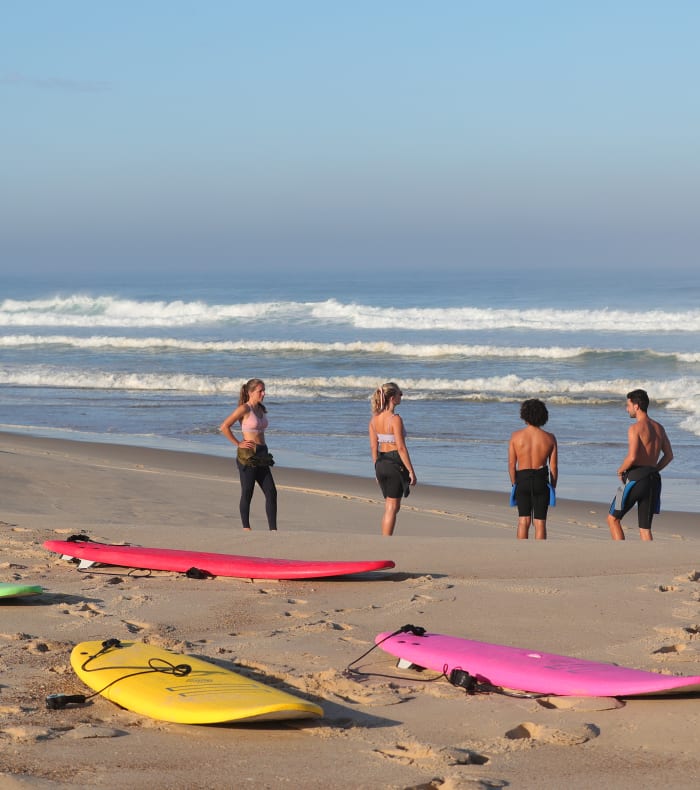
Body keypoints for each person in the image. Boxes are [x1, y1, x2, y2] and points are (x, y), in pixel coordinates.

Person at [607, 389, 673, 541]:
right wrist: (653, 469)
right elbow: (669, 456)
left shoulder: (634, 428)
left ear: (636, 406)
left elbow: (632, 457)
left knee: (612, 518)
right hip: (653, 480)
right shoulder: (659, 428)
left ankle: (622, 554)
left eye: (628, 405)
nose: (627, 409)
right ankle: (651, 560)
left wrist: (620, 470)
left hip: (634, 479)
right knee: (645, 528)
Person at [219, 378, 277, 531]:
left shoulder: (261, 409)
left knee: (271, 491)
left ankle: (273, 530)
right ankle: (246, 527)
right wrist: (238, 443)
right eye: (260, 391)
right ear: (251, 393)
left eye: (264, 390)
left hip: (263, 453)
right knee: (247, 491)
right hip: (248, 454)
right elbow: (224, 426)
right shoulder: (244, 409)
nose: (263, 393)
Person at [369, 382, 417, 536]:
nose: (401, 395)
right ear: (391, 398)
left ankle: (385, 537)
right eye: (399, 393)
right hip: (395, 462)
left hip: (381, 463)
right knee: (392, 507)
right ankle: (386, 541)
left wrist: (376, 469)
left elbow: (373, 447)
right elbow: (401, 447)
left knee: (392, 506)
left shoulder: (374, 420)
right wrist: (411, 471)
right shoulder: (395, 419)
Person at [508, 398, 558, 540]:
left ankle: (521, 552)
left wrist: (514, 484)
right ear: (543, 416)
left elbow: (512, 465)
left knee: (523, 520)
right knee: (540, 522)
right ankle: (539, 553)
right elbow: (553, 466)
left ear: (524, 415)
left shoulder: (515, 436)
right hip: (541, 480)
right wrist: (552, 487)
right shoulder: (550, 438)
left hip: (522, 479)